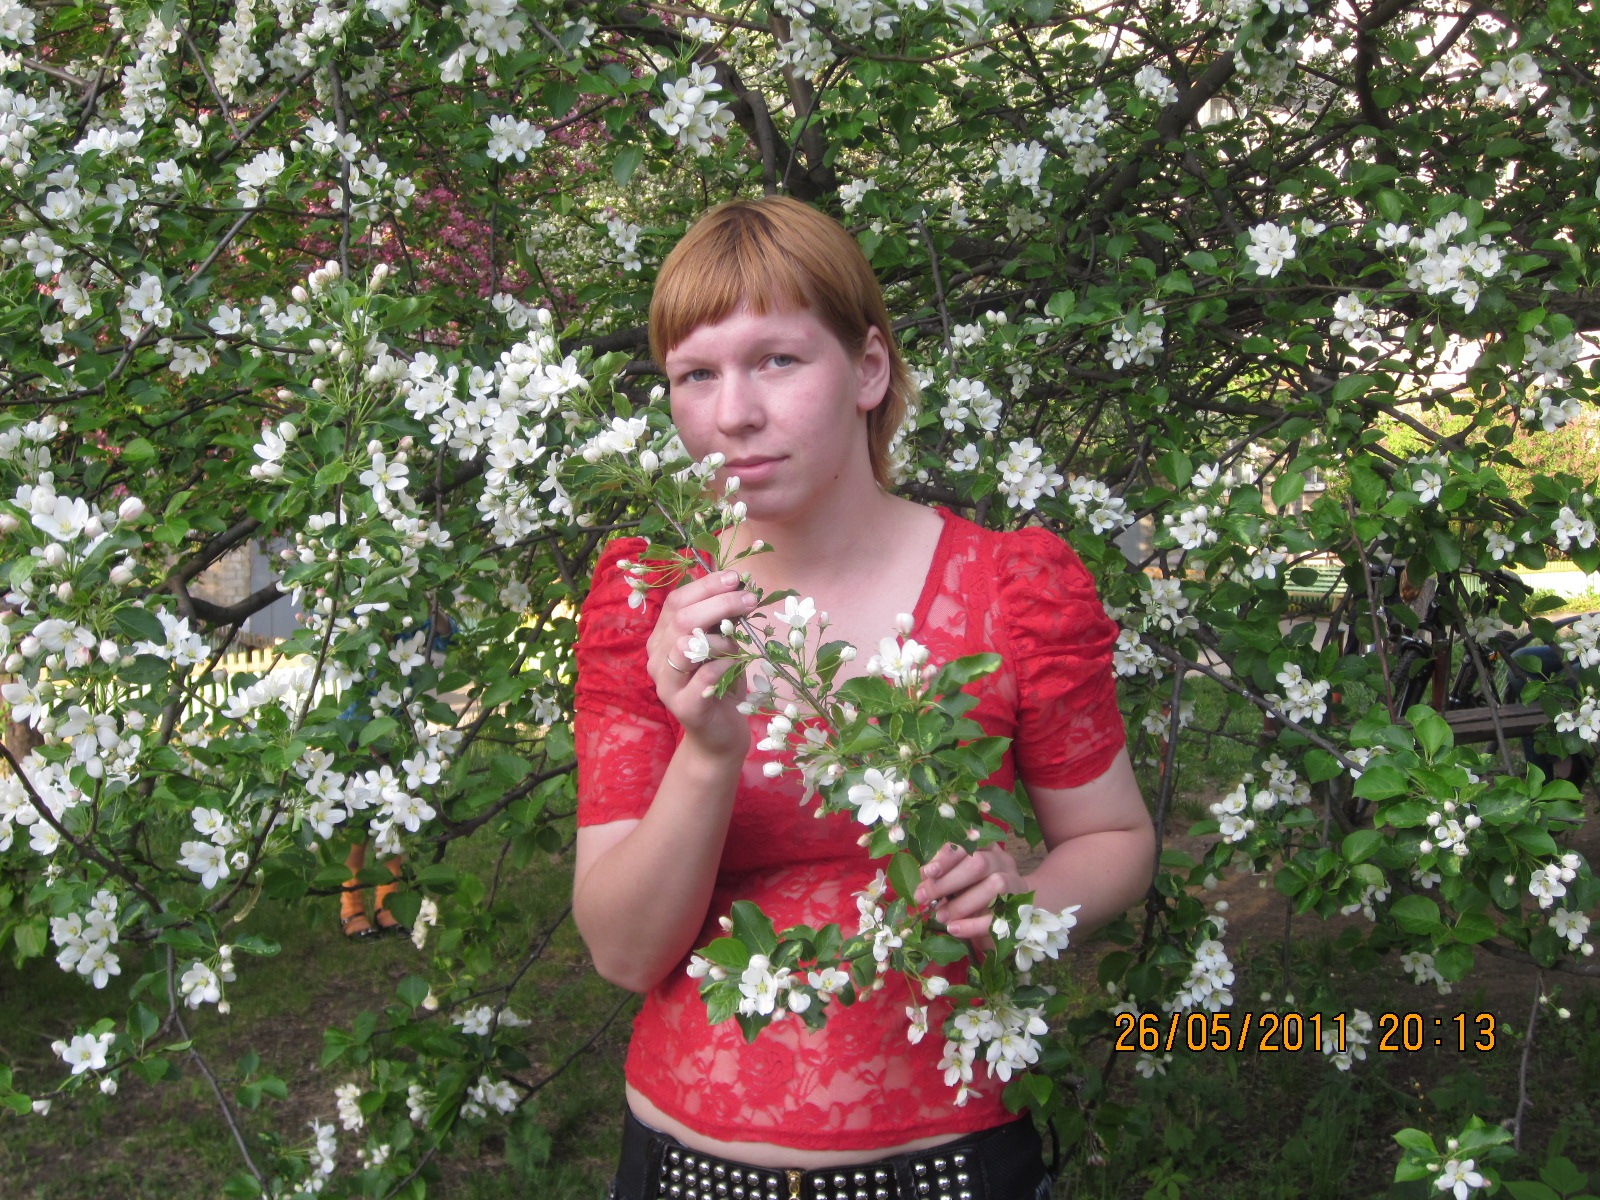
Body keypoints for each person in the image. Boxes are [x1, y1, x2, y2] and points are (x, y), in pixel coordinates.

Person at [572, 197, 1155, 1200]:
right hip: (683, 1173)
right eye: (695, 374)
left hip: (952, 1169)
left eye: (777, 360)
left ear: (869, 370)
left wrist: (1022, 901)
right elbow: (625, 953)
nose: (733, 414)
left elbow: (1116, 840)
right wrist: (708, 752)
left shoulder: (1009, 591)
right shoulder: (649, 608)